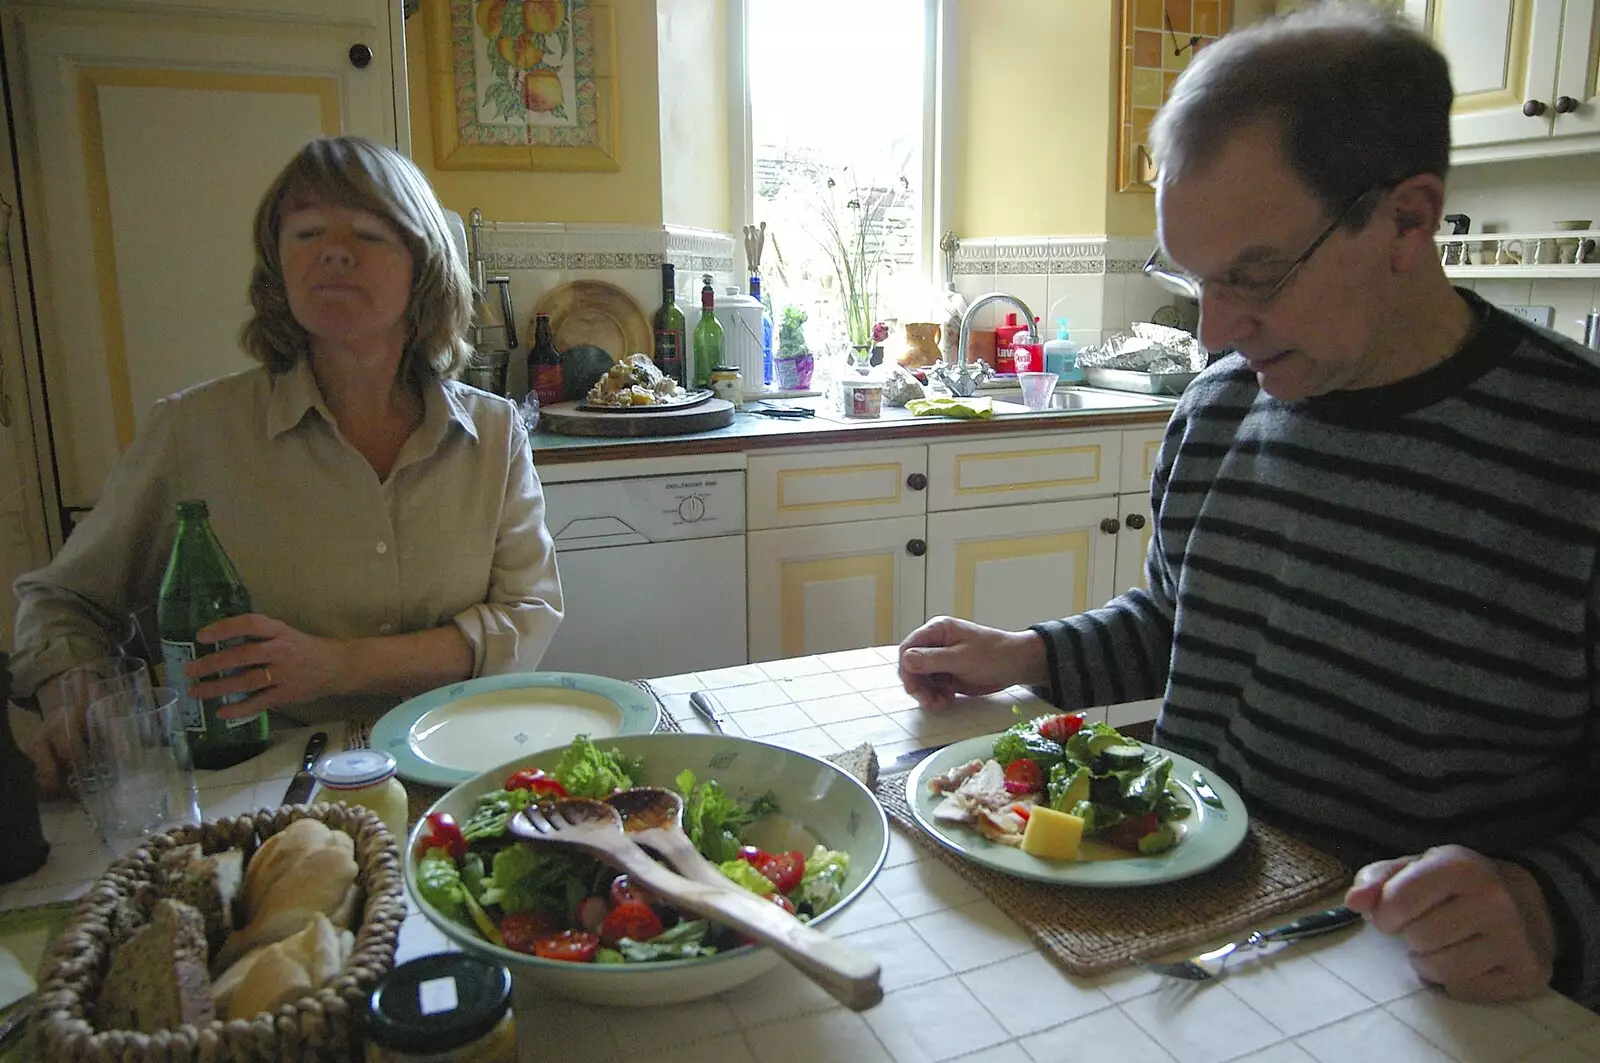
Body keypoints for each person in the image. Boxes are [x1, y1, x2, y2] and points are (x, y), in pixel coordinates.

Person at [898, 4, 1599, 1009]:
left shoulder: (1577, 451)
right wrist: (1031, 654)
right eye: (1189, 278)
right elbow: (1187, 621)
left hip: (1423, 986)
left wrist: (1544, 904)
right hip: (1193, 939)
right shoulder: (1220, 408)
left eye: (1254, 275)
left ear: (1406, 219)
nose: (1215, 328)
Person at [11, 135, 564, 790]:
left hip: (459, 768)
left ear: (423, 268)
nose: (332, 250)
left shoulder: (495, 435)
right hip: (258, 786)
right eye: (305, 232)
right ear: (278, 266)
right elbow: (63, 602)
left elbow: (527, 616)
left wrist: (335, 665)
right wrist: (79, 692)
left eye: (367, 232)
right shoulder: (194, 432)